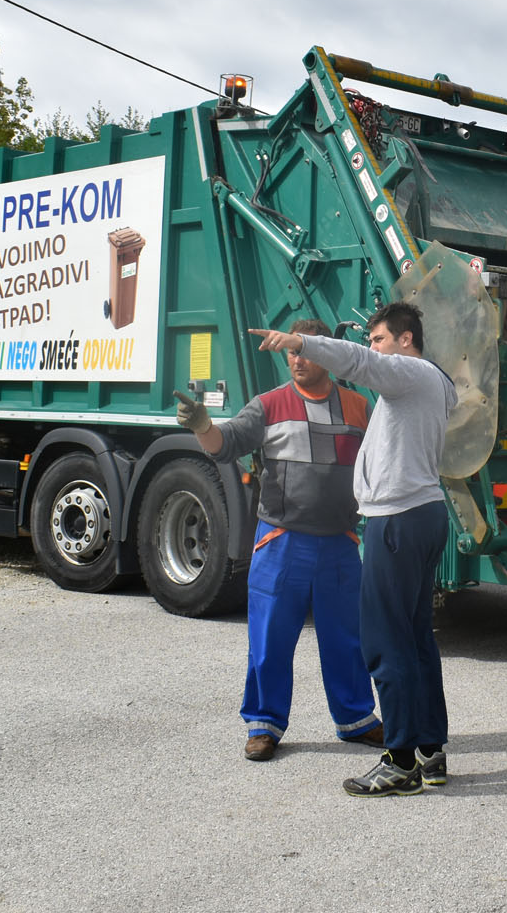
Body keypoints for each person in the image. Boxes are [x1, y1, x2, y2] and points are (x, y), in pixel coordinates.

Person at [249, 301, 457, 798]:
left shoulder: (410, 373)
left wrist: (300, 342)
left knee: (386, 642)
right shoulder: (436, 383)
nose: (373, 348)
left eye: (379, 338)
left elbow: (360, 365)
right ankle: (430, 751)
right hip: (421, 514)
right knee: (415, 640)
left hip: (397, 519)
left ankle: (401, 760)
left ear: (407, 339)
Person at [175, 319, 381, 762]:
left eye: (304, 351)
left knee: (346, 638)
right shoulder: (268, 405)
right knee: (269, 638)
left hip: (340, 542)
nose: (297, 360)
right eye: (291, 352)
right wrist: (201, 424)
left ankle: (357, 719)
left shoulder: (359, 408)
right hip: (282, 541)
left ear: (326, 353)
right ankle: (263, 724)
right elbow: (224, 444)